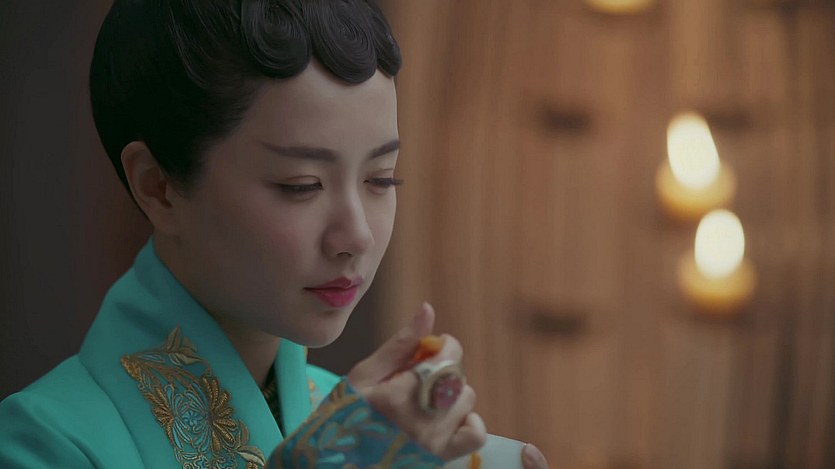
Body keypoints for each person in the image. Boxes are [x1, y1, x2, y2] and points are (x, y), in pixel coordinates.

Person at [0, 1, 549, 467]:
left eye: (382, 178)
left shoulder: (370, 427)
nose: (356, 235)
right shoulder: (44, 442)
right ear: (159, 187)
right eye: (300, 185)